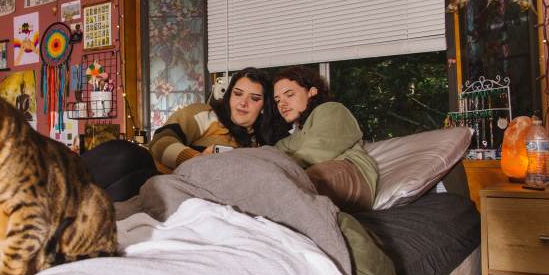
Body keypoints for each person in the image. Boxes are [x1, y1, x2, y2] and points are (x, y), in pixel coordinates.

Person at [272, 66, 379, 212]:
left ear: (312, 92)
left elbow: (317, 151)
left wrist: (278, 168)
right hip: (316, 180)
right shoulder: (294, 136)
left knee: (296, 185)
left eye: (289, 95)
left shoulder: (332, 109)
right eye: (277, 100)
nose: (281, 104)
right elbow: (274, 153)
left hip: (351, 172)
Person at [149, 67, 286, 173]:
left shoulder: (263, 143)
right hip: (176, 185)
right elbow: (160, 142)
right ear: (229, 95)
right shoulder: (207, 115)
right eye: (237, 94)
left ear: (264, 106)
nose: (243, 103)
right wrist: (197, 159)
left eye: (254, 98)